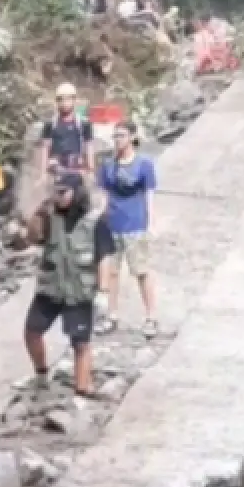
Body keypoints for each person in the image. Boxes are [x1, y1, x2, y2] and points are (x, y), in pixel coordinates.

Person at [23, 171, 116, 398]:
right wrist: (38, 212)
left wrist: (103, 292)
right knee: (32, 331)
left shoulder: (95, 221)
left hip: (79, 290)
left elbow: (104, 257)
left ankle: (83, 386)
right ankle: (41, 374)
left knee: (81, 343)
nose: (58, 196)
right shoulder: (50, 216)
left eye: (63, 192)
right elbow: (32, 238)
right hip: (51, 287)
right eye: (56, 192)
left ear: (76, 193)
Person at [95, 122, 159, 338]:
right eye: (115, 136)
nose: (117, 140)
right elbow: (104, 196)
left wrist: (151, 222)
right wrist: (98, 219)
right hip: (113, 224)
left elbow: (149, 195)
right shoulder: (107, 166)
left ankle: (151, 316)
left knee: (141, 271)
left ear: (132, 137)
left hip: (135, 224)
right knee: (111, 272)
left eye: (121, 135)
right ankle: (112, 314)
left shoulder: (144, 165)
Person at [38, 83, 94, 178]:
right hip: (56, 171)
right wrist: (43, 174)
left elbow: (89, 146)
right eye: (61, 99)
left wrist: (91, 171)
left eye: (68, 99)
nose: (64, 103)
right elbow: (45, 148)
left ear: (74, 100)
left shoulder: (83, 124)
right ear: (57, 101)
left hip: (77, 170)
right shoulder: (50, 124)